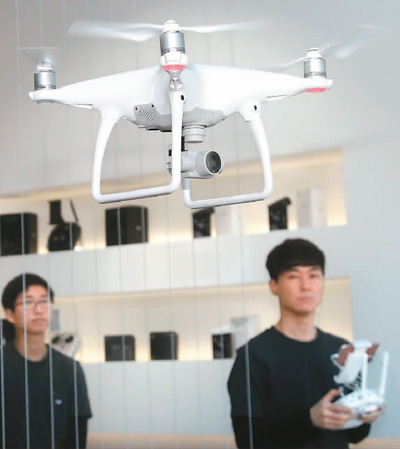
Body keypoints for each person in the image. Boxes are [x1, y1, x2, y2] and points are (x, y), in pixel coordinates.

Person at [227, 238, 383, 449]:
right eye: (293, 276)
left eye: (313, 275)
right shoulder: (253, 356)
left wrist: (363, 415)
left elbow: (355, 436)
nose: (306, 286)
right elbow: (247, 442)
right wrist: (310, 420)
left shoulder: (341, 350)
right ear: (274, 285)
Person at [0, 273, 92, 449]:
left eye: (44, 301)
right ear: (10, 314)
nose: (39, 309)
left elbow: (77, 434)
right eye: (28, 302)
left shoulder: (69, 369)